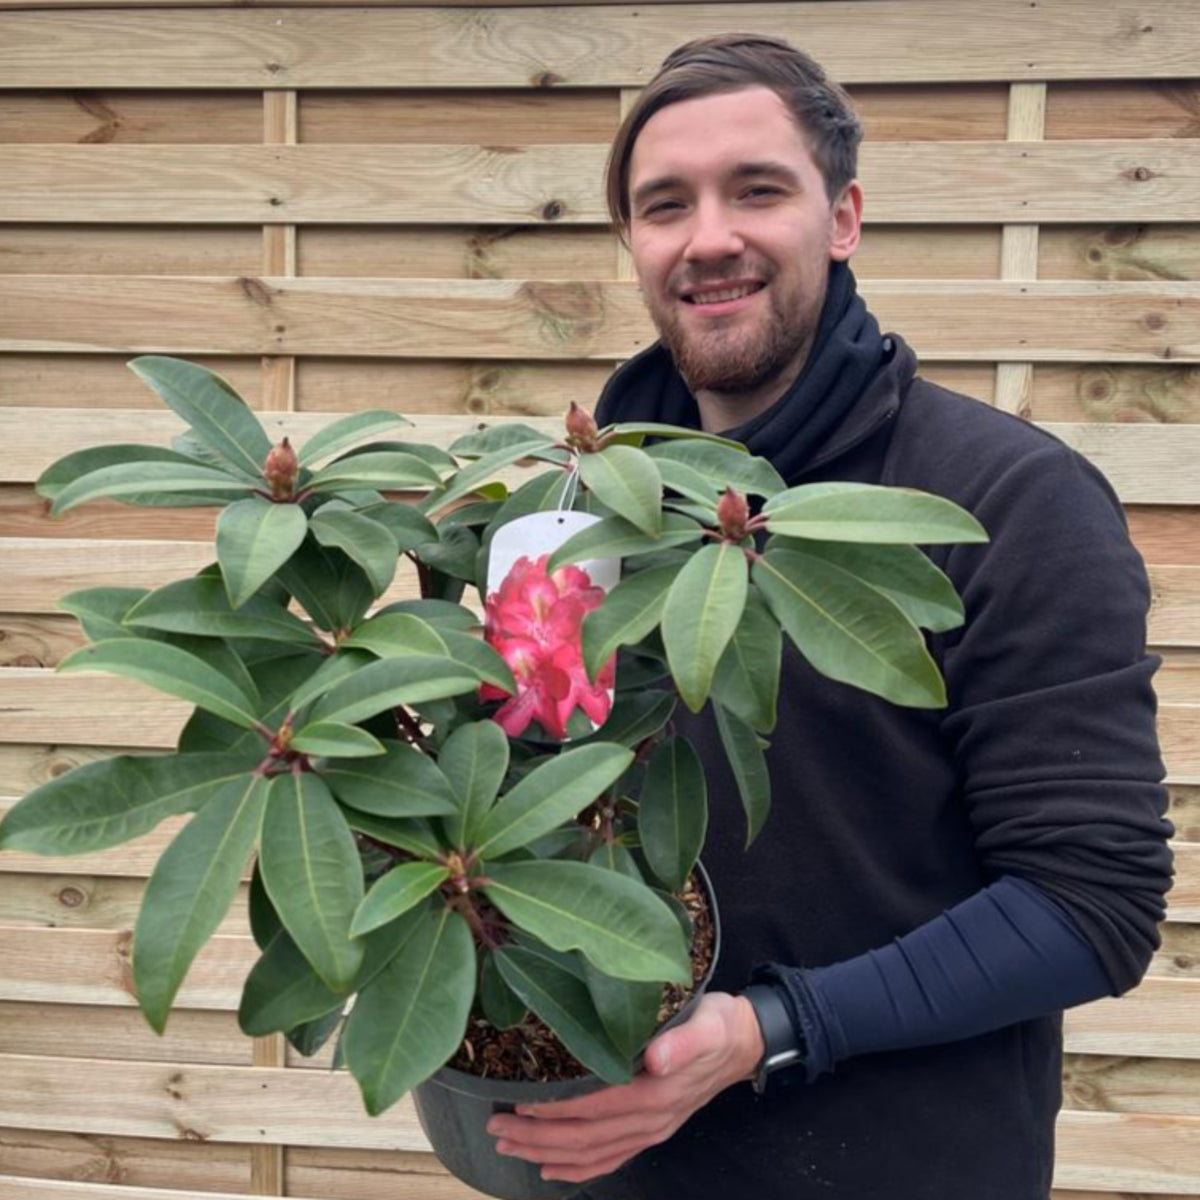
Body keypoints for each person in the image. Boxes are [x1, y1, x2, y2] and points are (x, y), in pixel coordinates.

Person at [485, 34, 1174, 1199]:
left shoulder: (1006, 502)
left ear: (842, 217)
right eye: (666, 205)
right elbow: (539, 808)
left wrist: (764, 1031)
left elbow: (1092, 903)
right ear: (634, 245)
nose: (710, 237)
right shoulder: (568, 511)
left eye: (758, 190)